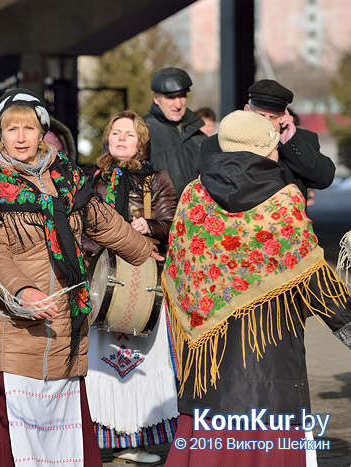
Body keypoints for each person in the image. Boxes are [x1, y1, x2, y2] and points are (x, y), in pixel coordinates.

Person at [0, 89, 159, 467]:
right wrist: (22, 289)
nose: (20, 137)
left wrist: (144, 253)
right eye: (11, 129)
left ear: (43, 133)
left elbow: (103, 222)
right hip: (13, 319)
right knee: (9, 432)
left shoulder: (69, 178)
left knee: (63, 423)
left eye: (28, 128)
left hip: (65, 319)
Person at [163, 111, 351, 466]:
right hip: (271, 350)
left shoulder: (193, 194)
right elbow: (311, 274)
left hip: (209, 361)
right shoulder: (284, 199)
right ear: (265, 147)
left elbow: (180, 268)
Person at [83, 110, 178, 465]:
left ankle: (137, 439)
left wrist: (149, 225)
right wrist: (101, 244)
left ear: (142, 141)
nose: (121, 138)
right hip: (103, 281)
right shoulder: (93, 178)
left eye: (130, 134)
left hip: (143, 279)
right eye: (116, 132)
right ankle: (102, 439)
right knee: (101, 361)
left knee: (142, 360)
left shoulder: (157, 178)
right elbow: (80, 226)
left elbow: (172, 224)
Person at [200, 79, 335, 203]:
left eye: (273, 117)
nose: (266, 122)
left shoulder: (301, 140)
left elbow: (323, 179)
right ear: (246, 110)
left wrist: (291, 143)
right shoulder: (217, 143)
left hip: (285, 226)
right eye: (261, 116)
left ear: (285, 116)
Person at [143, 67, 207, 197]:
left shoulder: (199, 136)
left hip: (196, 214)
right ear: (156, 98)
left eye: (182, 96)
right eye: (171, 97)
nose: (178, 104)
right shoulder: (141, 132)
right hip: (158, 215)